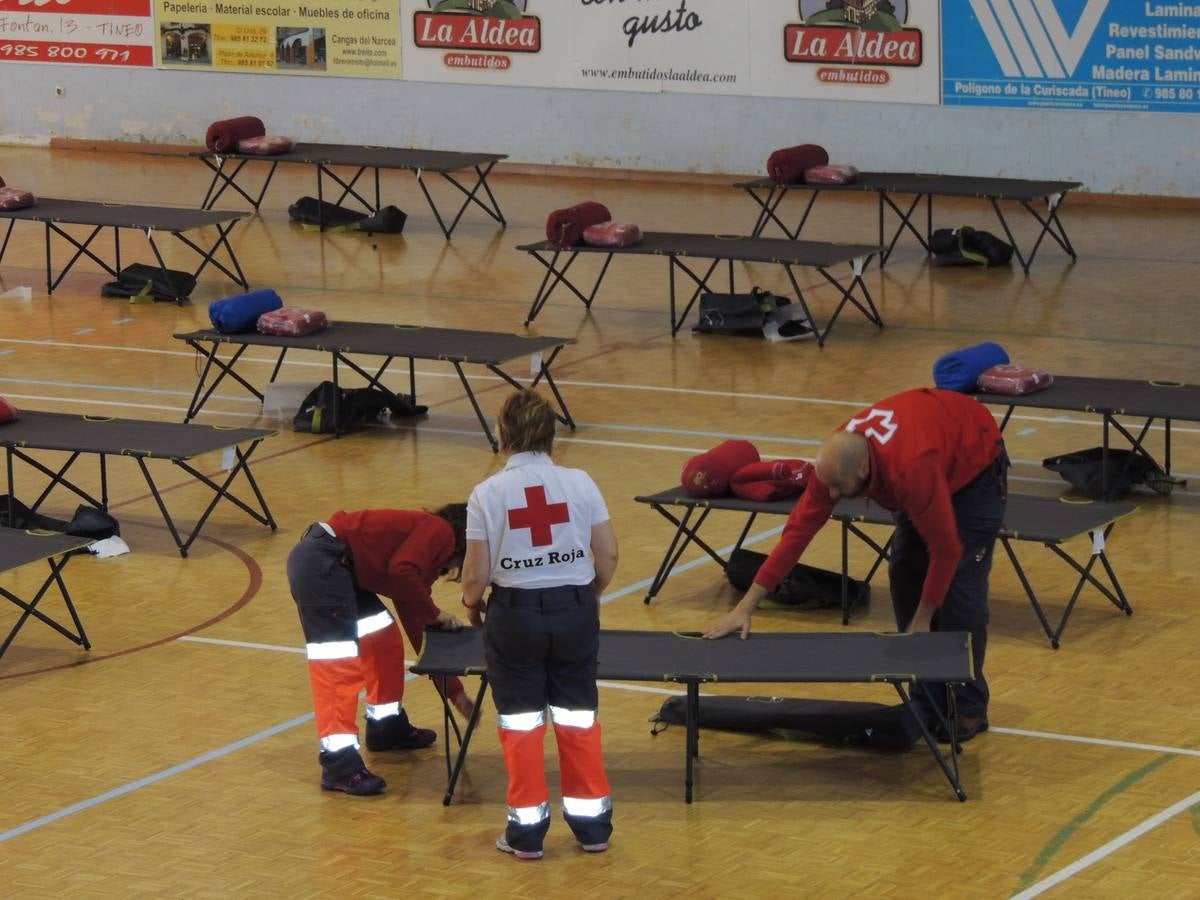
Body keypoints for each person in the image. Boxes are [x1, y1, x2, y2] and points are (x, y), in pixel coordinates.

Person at [703, 388, 1007, 741]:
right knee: (905, 572)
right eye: (827, 485)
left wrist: (923, 620)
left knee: (959, 596)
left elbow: (947, 551)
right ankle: (928, 699)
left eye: (838, 487)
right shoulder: (835, 465)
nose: (831, 495)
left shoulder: (912, 467)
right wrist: (745, 606)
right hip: (927, 453)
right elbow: (796, 534)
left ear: (863, 467)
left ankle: (968, 707)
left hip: (973, 465)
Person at [461, 388, 619, 861]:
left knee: (522, 723)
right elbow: (607, 554)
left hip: (515, 618)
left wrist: (471, 603)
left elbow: (476, 574)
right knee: (578, 717)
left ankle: (526, 835)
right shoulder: (581, 482)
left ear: (504, 434)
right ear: (551, 434)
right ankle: (593, 829)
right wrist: (585, 597)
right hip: (574, 612)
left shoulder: (487, 493)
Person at [286, 503, 472, 796]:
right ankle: (339, 766)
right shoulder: (440, 532)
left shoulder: (423, 553)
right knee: (337, 668)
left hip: (341, 569)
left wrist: (454, 692)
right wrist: (436, 613)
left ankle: (385, 728)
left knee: (383, 640)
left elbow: (417, 625)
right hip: (324, 564)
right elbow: (402, 574)